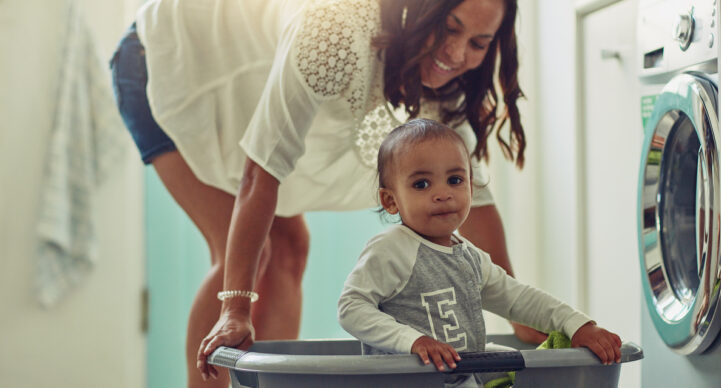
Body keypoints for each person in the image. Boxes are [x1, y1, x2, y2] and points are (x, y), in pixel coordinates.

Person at [110, 0, 540, 386]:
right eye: (449, 28)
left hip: (249, 88)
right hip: (167, 64)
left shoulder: (443, 82)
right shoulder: (333, 30)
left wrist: (523, 317)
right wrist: (235, 310)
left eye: (479, 42)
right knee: (247, 258)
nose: (457, 53)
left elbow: (476, 201)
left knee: (290, 247)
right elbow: (259, 177)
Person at [338, 119, 623, 387]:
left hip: (461, 379)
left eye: (455, 180)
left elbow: (517, 298)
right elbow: (352, 307)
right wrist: (412, 341)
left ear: (471, 188)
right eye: (421, 184)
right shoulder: (392, 248)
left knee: (507, 358)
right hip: (404, 381)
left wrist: (577, 325)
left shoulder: (468, 257)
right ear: (391, 200)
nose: (443, 193)